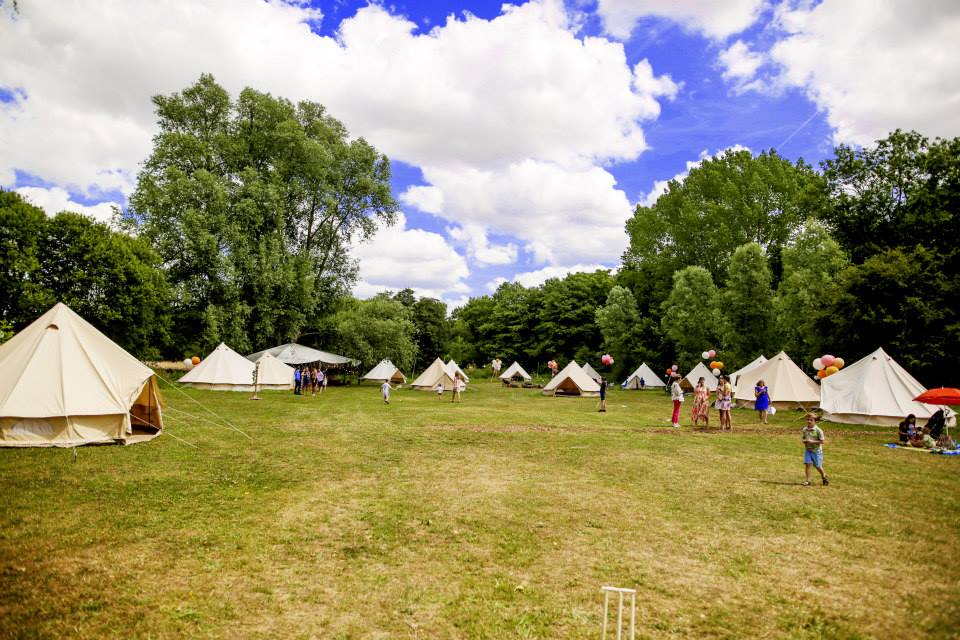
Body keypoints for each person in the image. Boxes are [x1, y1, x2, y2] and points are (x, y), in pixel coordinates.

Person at [801, 413, 829, 486]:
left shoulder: (818, 430)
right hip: (808, 450)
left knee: (818, 466)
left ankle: (824, 476)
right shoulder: (805, 429)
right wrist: (804, 441)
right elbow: (804, 437)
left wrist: (812, 441)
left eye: (811, 420)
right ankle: (808, 481)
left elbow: (822, 441)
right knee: (807, 464)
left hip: (816, 451)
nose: (809, 421)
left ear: (815, 421)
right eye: (808, 419)